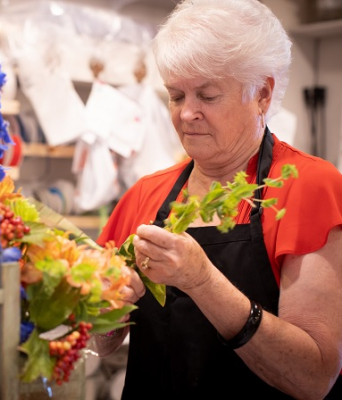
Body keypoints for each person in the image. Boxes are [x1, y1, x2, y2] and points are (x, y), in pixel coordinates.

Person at [94, 0, 342, 398]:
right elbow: (103, 342)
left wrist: (202, 280)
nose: (186, 113)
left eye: (207, 96)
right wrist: (104, 309)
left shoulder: (309, 187)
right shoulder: (146, 194)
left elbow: (313, 377)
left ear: (261, 94)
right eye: (176, 96)